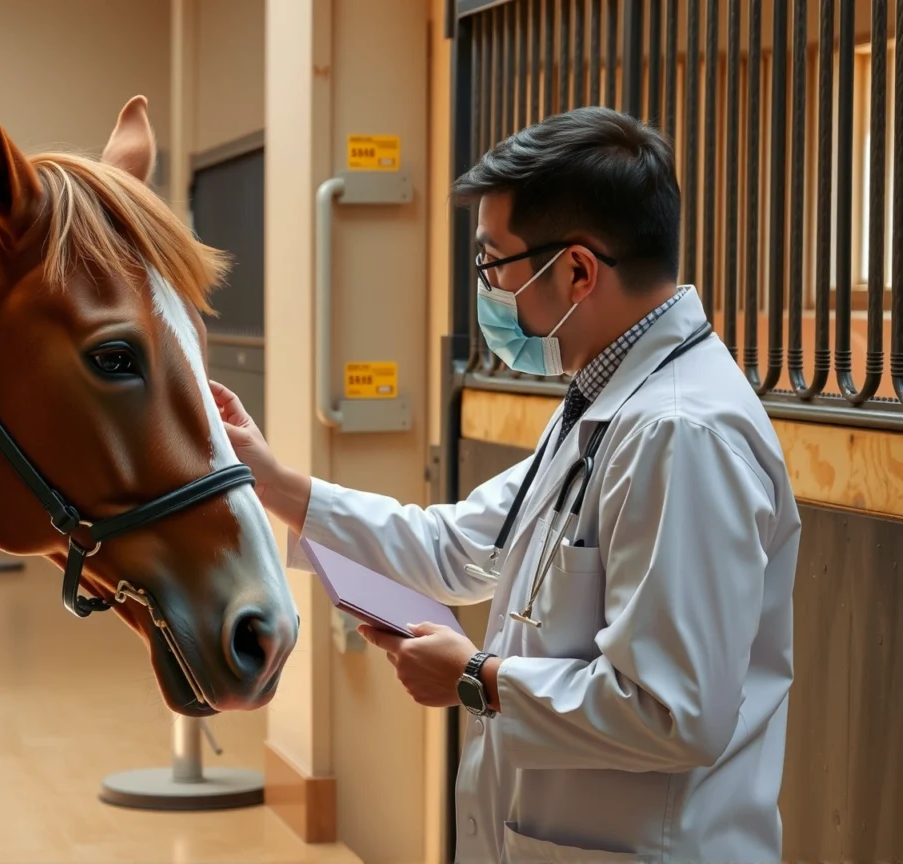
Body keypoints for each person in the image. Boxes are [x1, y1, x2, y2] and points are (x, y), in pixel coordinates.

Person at [211, 106, 800, 862]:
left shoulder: (681, 434)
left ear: (579, 271)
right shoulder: (609, 398)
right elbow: (462, 546)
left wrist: (479, 681)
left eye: (495, 265)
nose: (487, 290)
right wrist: (274, 480)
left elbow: (674, 712)